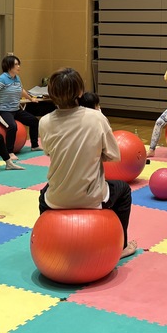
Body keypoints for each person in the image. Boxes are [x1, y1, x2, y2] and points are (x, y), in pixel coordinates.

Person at [38, 67, 137, 258]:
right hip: (91, 198)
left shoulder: (44, 121)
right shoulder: (96, 117)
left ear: (50, 93)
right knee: (123, 190)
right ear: (80, 92)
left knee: (43, 196)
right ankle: (122, 245)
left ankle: (48, 245)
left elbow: (49, 152)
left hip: (56, 198)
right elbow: (114, 155)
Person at [0, 54, 42, 163]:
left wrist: (31, 99)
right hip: (2, 110)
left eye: (18, 64)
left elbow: (21, 90)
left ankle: (34, 145)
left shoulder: (17, 78)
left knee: (34, 121)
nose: (18, 67)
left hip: (15, 109)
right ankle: (9, 152)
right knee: (12, 126)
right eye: (16, 64)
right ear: (9, 66)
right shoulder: (2, 78)